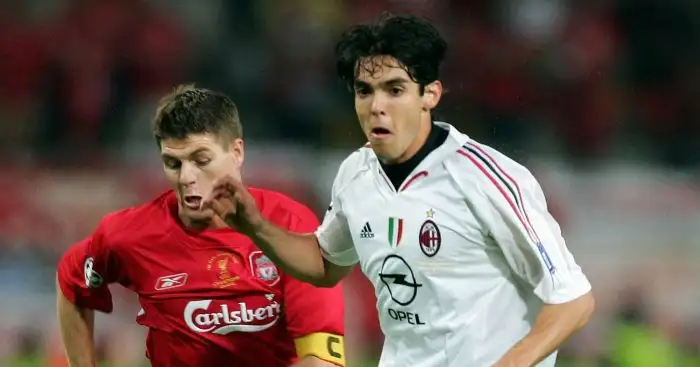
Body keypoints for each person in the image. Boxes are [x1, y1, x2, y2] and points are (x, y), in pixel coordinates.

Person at [202, 13, 595, 367]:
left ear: (430, 95)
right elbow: (325, 263)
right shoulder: (355, 174)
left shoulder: (485, 178)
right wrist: (254, 225)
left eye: (394, 89)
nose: (376, 106)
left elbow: (573, 301)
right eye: (364, 91)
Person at [55, 85, 346, 367]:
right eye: (173, 163)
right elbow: (72, 277)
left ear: (237, 153)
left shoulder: (290, 225)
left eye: (201, 159)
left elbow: (323, 361)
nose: (186, 178)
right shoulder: (131, 234)